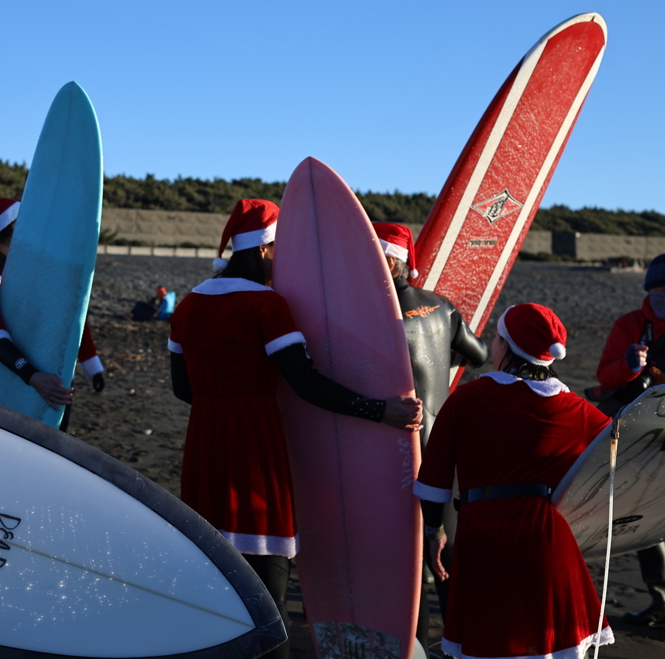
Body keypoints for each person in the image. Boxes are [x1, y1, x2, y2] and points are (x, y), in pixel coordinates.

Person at [168, 199, 423, 659]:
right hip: (256, 459)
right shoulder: (267, 305)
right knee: (269, 602)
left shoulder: (187, 306)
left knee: (217, 588)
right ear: (264, 251)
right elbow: (305, 385)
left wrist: (221, 403)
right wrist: (378, 410)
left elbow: (182, 388)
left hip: (204, 454)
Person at [415, 303, 614, 659]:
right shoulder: (576, 410)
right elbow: (623, 448)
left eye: (496, 337)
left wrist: (435, 533)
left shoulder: (467, 399)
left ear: (505, 347)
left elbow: (433, 481)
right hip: (548, 543)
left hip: (482, 540)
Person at [373, 222, 488, 641]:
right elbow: (480, 355)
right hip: (444, 446)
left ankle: (414, 644)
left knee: (409, 560)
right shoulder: (443, 305)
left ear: (387, 259)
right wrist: (440, 360)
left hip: (397, 451)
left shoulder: (374, 315)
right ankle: (464, 641)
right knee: (446, 555)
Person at [0, 197, 101, 426]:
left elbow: (68, 316)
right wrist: (32, 376)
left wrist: (91, 363)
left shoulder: (25, 276)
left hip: (37, 392)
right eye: (22, 232)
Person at [595, 253, 665, 627]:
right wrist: (629, 366)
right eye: (658, 291)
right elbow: (604, 379)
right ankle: (660, 598)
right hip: (642, 433)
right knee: (648, 516)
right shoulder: (630, 326)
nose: (663, 297)